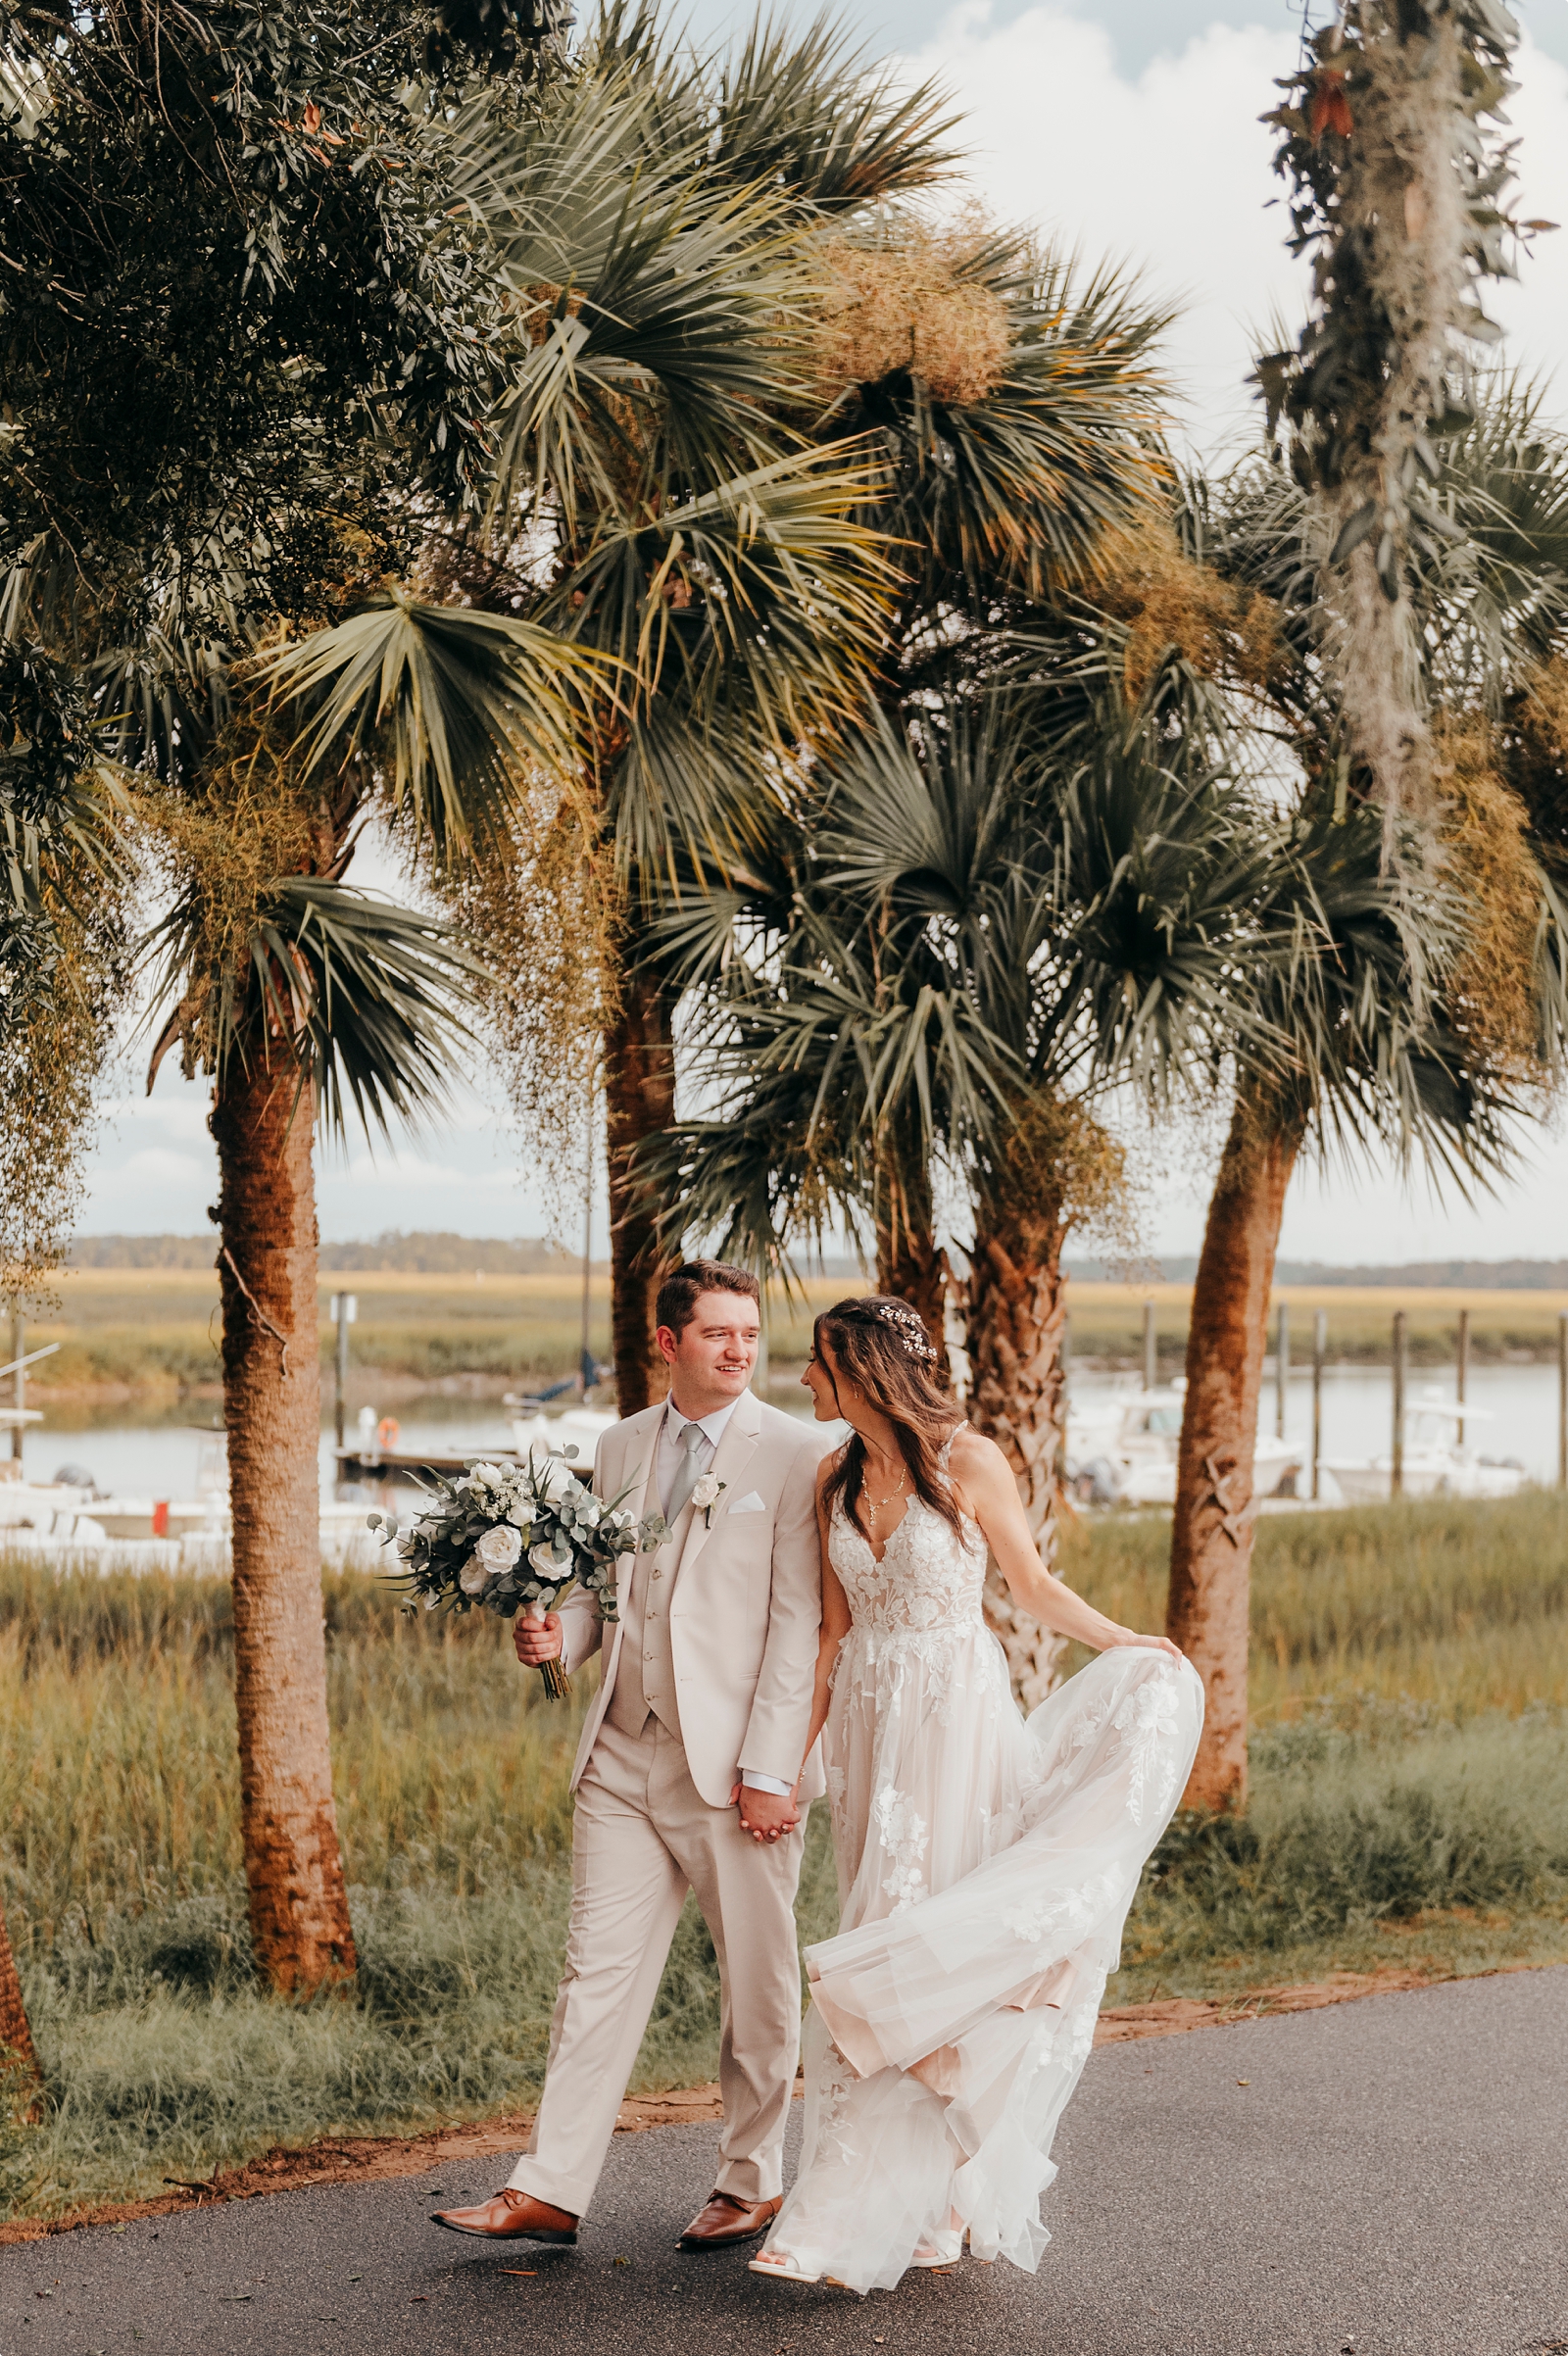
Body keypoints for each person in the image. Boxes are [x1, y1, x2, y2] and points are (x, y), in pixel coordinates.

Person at [749, 1295, 1203, 2295]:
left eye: (818, 1360)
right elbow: (831, 1639)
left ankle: (845, 2219)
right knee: (886, 1936)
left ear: (863, 1367)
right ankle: (934, 2202)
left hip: (957, 1722)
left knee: (930, 1948)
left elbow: (1031, 1588)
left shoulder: (972, 1461)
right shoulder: (832, 1475)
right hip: (871, 1732)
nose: (804, 1376)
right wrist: (786, 1769)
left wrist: (1127, 1641)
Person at [431, 1260, 831, 2255]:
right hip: (619, 1751)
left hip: (736, 1770)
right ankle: (549, 2186)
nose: (738, 1350)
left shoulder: (799, 1451)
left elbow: (799, 1624)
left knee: (757, 1985)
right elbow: (596, 1592)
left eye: (749, 1334)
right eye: (717, 1333)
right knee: (594, 1977)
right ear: (668, 1342)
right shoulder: (618, 1444)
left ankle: (750, 2179)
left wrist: (772, 1769)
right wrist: (557, 1641)